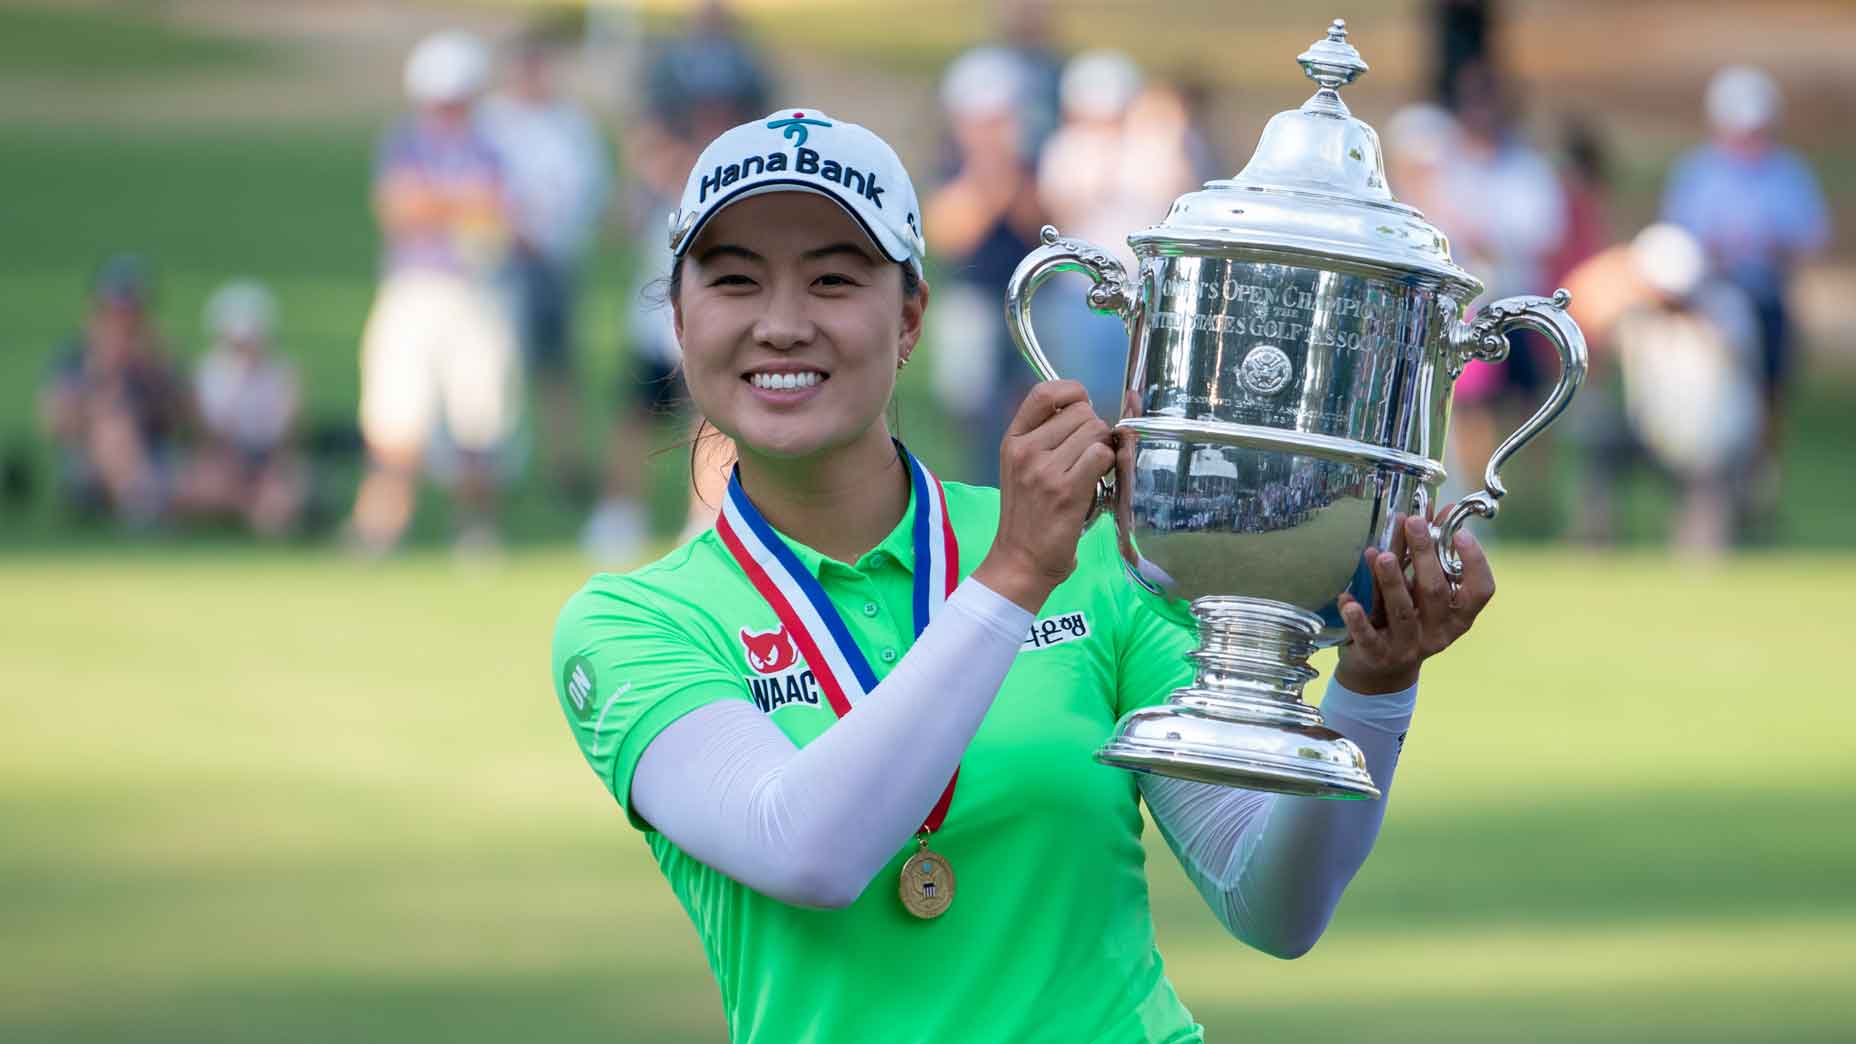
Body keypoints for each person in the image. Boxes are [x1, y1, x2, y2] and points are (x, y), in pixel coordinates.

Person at [550, 111, 1497, 1043]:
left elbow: (1273, 905)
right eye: (735, 281)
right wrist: (1012, 577)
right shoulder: (633, 625)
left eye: (834, 279)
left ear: (909, 316)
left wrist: (1374, 688)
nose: (784, 324)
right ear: (680, 320)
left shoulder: (1090, 558)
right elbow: (806, 850)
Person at [582, 0, 772, 562]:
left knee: (711, 414)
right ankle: (619, 512)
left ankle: (704, 516)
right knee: (637, 412)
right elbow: (621, 219)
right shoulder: (666, 162)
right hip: (656, 308)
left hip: (717, 305)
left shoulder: (746, 171)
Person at [346, 30, 519, 556]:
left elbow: (498, 213)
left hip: (474, 293)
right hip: (414, 288)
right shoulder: (404, 141)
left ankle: (475, 531)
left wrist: (441, 203)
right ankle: (380, 527)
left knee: (478, 422)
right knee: (395, 420)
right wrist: (463, 204)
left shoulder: (490, 145)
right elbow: (399, 209)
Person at [1660, 65, 1830, 532]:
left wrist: (1769, 246)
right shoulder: (1698, 173)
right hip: (1710, 308)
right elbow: (1678, 242)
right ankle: (1705, 496)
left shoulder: (1787, 173)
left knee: (1769, 399)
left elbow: (1809, 236)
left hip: (1767, 299)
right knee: (1708, 401)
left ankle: (1758, 494)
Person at [1561, 225, 1762, 554]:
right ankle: (1593, 545)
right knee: (1600, 444)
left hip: (1711, 440)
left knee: (1705, 501)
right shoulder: (1636, 315)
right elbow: (1580, 307)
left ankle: (1701, 556)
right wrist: (1617, 270)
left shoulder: (1725, 311)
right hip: (1651, 430)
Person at [481, 27, 612, 500]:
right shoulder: (491, 121)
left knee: (557, 365)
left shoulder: (570, 124)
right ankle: (497, 460)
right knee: (498, 360)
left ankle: (564, 460)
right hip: (501, 261)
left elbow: (589, 190)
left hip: (556, 259)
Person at [924, 46, 1047, 485]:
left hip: (1031, 300)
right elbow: (949, 235)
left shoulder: (1034, 165)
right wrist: (991, 177)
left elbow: (1043, 225)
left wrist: (1006, 173)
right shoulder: (950, 166)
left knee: (1026, 402)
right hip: (973, 297)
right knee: (970, 404)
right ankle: (978, 482)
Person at [38, 255, 190, 527]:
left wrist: (155, 372)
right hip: (91, 467)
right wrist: (102, 373)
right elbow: (57, 425)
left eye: (132, 310)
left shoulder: (157, 355)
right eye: (116, 310)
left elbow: (184, 422)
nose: (124, 320)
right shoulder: (76, 355)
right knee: (113, 426)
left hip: (158, 458)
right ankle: (142, 508)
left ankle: (148, 502)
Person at [176, 280, 308, 537]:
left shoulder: (283, 374)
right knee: (201, 490)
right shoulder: (207, 374)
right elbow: (207, 435)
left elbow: (287, 438)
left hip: (266, 459)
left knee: (279, 505)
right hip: (224, 459)